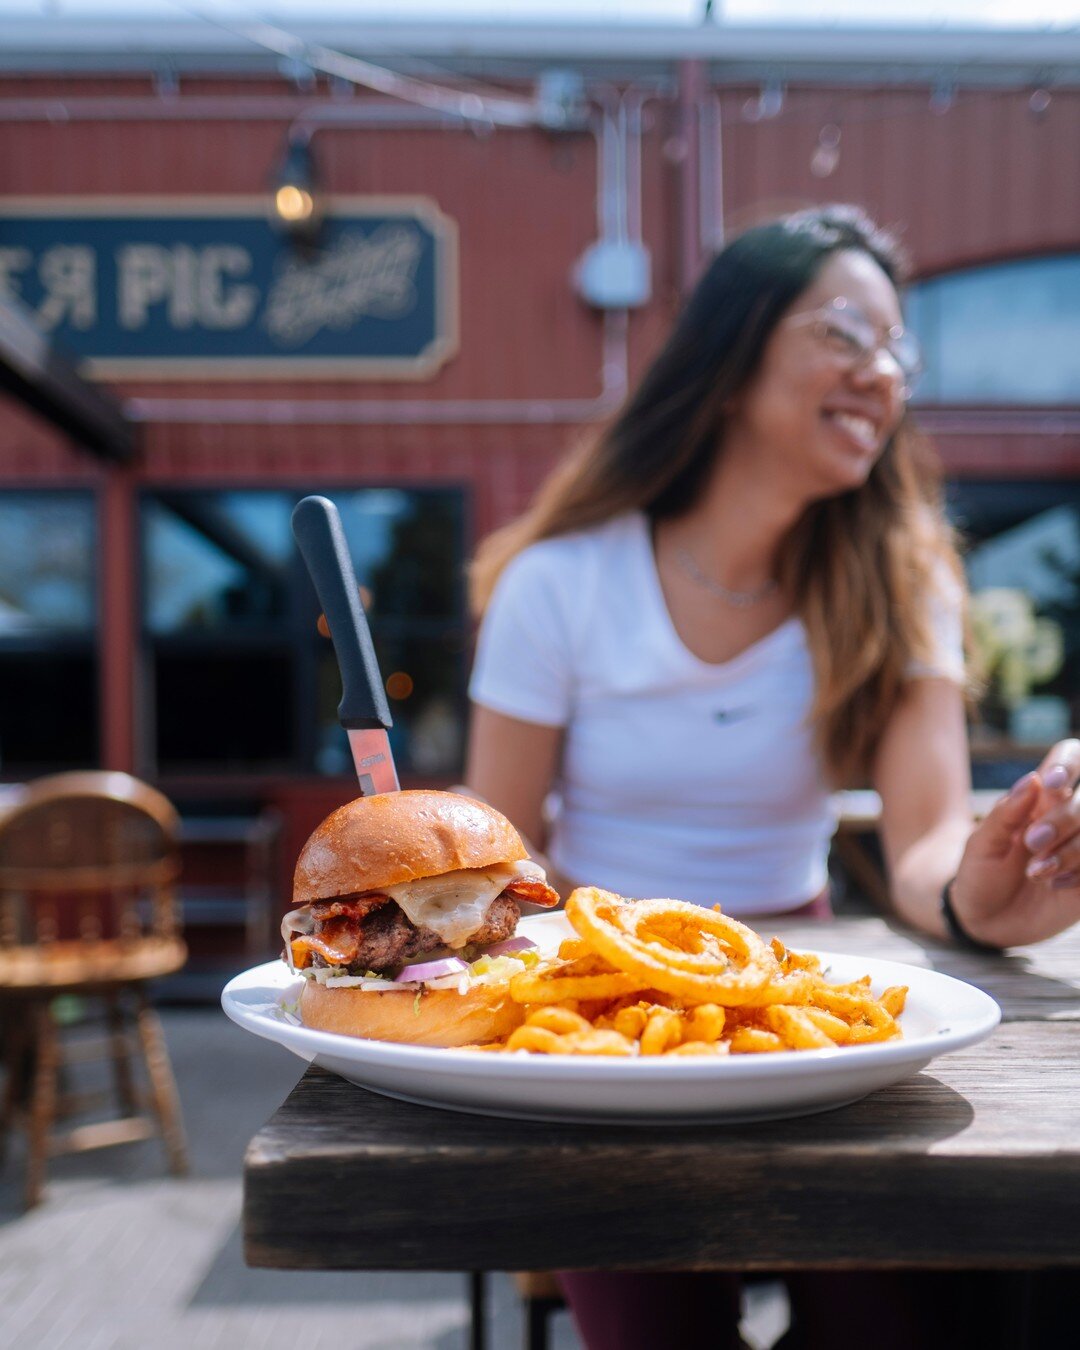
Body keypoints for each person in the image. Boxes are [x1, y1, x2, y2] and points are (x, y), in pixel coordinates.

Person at [461, 204, 1080, 1349]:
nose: (883, 373)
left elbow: (930, 846)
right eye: (849, 332)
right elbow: (498, 863)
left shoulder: (904, 584)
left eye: (900, 350)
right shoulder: (559, 585)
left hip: (799, 1003)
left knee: (891, 1323)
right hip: (602, 1016)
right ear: (733, 356)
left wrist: (983, 894)